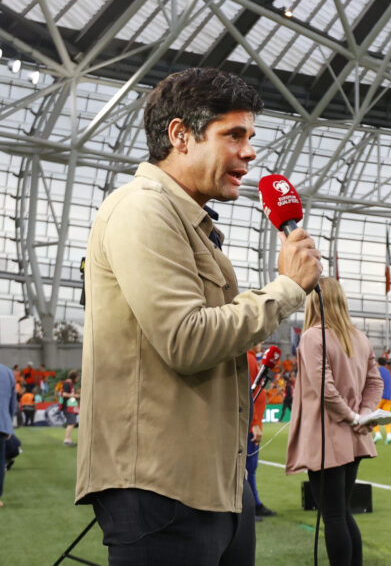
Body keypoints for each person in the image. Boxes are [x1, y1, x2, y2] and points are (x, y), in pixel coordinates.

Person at [74, 67, 322, 566]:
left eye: (250, 136)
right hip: (161, 490)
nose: (250, 152)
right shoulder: (143, 211)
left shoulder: (188, 221)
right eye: (234, 135)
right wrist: (287, 289)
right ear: (180, 136)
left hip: (210, 488)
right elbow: (186, 340)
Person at [285, 277, 383, 566]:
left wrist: (354, 415)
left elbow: (324, 388)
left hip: (327, 435)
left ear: (314, 300)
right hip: (353, 435)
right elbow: (375, 383)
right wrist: (361, 415)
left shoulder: (314, 336)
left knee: (333, 515)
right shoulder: (358, 336)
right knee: (342, 512)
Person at [247, 344, 276, 521]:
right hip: (250, 425)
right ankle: (250, 506)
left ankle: (254, 504)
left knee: (250, 467)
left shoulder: (252, 359)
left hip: (252, 422)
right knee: (248, 467)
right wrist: (255, 423)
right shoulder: (249, 360)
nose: (262, 342)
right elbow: (249, 395)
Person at [1, 363, 17, 509]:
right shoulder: (7, 372)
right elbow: (13, 403)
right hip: (1, 425)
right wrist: (8, 425)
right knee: (0, 463)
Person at [372, 357, 391, 444]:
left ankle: (377, 433)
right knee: (387, 417)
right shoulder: (388, 372)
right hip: (388, 397)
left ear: (377, 363)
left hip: (379, 396)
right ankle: (389, 435)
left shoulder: (377, 371)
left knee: (373, 416)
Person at [60, 371, 80, 447]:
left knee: (72, 423)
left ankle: (69, 439)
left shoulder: (70, 384)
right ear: (74, 377)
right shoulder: (67, 384)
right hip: (67, 407)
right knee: (71, 423)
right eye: (77, 377)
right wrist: (75, 396)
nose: (78, 379)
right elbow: (64, 394)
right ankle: (67, 440)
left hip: (70, 406)